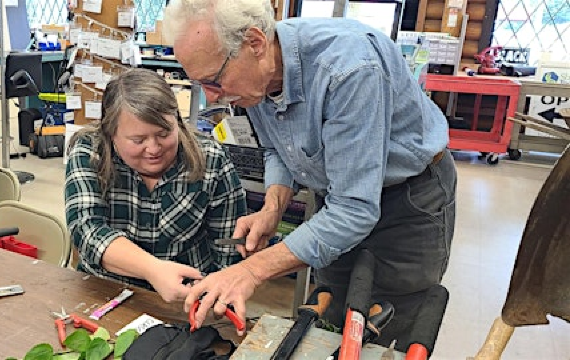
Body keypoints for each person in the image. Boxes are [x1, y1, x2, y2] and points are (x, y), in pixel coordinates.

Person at [165, 0, 457, 347]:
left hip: (408, 200)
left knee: (387, 326)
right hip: (339, 199)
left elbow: (354, 210)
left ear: (255, 43)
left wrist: (249, 271)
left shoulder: (348, 69)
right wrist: (273, 207)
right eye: (201, 84)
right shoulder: (255, 79)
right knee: (328, 318)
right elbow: (278, 148)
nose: (213, 96)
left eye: (214, 80)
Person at [65, 68, 247, 302]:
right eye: (138, 140)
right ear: (111, 135)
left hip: (188, 298)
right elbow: (87, 231)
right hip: (105, 291)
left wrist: (218, 297)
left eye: (163, 134)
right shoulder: (89, 153)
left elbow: (228, 248)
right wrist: (153, 270)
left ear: (178, 123)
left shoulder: (211, 160)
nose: (153, 149)